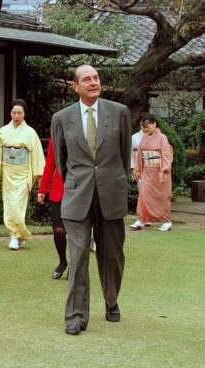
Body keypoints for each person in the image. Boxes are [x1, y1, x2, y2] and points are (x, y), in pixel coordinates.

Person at [51, 64, 131, 335]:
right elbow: (62, 163)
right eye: (87, 79)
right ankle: (75, 316)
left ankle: (111, 301)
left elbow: (124, 155)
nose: (94, 82)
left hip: (111, 192)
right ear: (76, 86)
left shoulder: (119, 113)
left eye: (96, 78)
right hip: (77, 196)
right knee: (79, 256)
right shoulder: (62, 118)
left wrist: (115, 183)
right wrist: (77, 183)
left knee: (112, 256)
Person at [0, 98, 45, 250]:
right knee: (9, 205)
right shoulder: (3, 131)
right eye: (14, 112)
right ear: (10, 113)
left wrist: (38, 174)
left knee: (18, 205)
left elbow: (37, 155)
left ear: (24, 114)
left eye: (19, 113)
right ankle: (16, 235)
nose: (16, 115)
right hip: (8, 171)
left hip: (23, 173)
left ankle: (16, 235)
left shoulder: (30, 132)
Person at [130, 114, 173, 231]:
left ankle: (166, 220)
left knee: (162, 197)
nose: (144, 129)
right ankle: (142, 219)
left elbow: (166, 153)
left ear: (154, 124)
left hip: (160, 171)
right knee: (143, 196)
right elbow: (139, 154)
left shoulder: (162, 138)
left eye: (147, 126)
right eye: (143, 127)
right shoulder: (144, 137)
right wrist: (138, 169)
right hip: (146, 171)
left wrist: (165, 168)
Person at [37, 138, 68, 279]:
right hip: (59, 189)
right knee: (59, 230)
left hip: (81, 189)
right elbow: (50, 164)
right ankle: (62, 261)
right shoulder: (56, 137)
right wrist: (42, 189)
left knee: (77, 232)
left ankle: (76, 265)